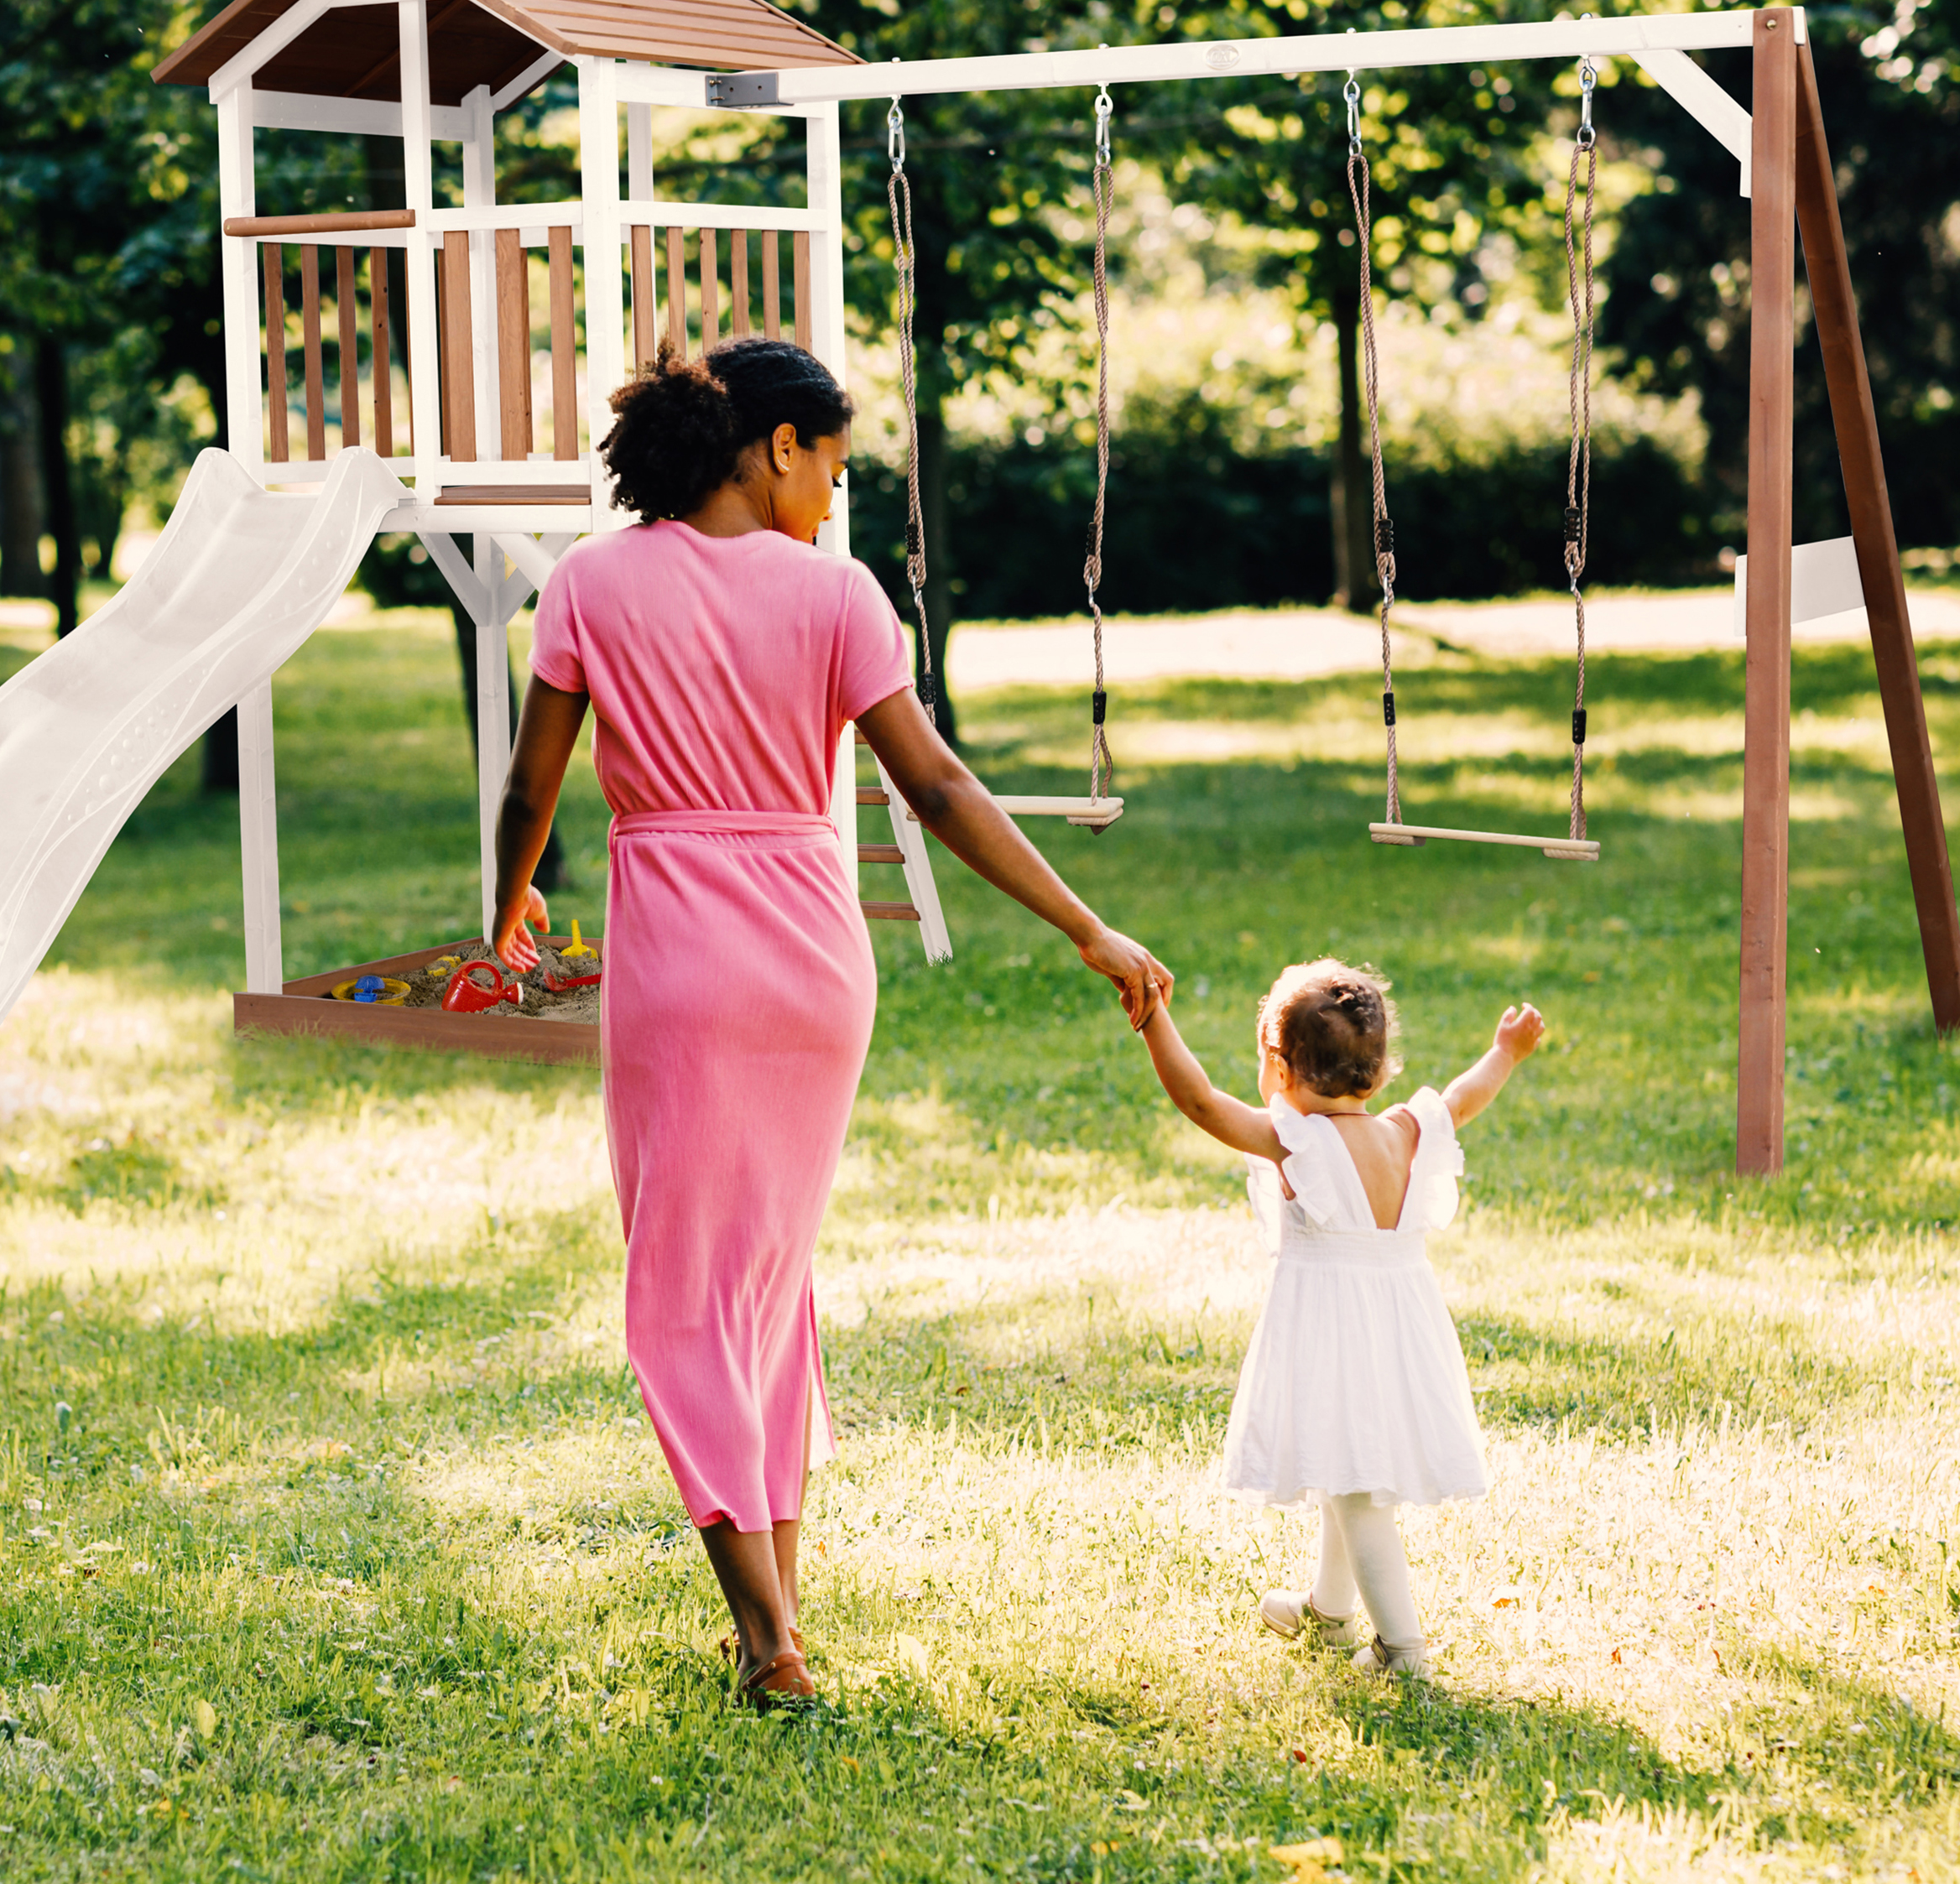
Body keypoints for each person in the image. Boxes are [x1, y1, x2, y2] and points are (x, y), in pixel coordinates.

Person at [487, 339, 1171, 1710]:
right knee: (764, 1284)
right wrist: (1083, 924)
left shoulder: (590, 583)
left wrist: (501, 916)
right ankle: (779, 1612)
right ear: (774, 446)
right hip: (813, 964)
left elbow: (532, 789)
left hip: (679, 963)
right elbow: (938, 788)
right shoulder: (838, 597)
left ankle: (766, 1639)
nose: (833, 497)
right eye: (833, 467)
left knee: (685, 1295)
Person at [1134, 960, 1546, 1679]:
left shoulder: (1298, 1143)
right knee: (1341, 1464)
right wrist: (1505, 1052)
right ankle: (1328, 1612)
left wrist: (1152, 1017)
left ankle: (1402, 1650)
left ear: (1280, 1067)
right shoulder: (1407, 1131)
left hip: (1334, 1334)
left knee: (1356, 1492)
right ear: (1380, 1072)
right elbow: (1463, 1096)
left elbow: (1199, 1101)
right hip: (1399, 1331)